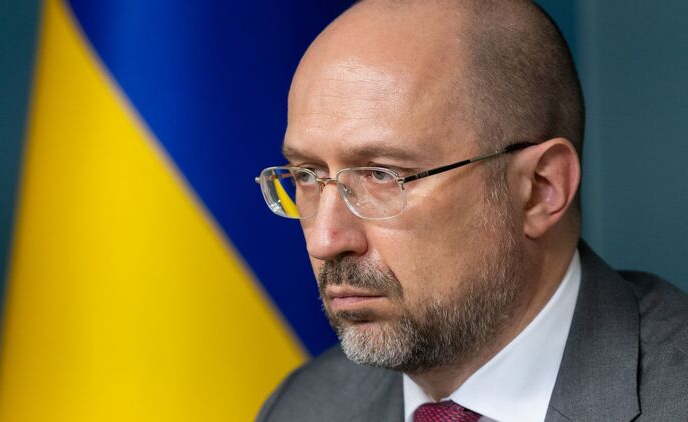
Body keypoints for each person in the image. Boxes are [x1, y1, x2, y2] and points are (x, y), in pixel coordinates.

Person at [254, 0, 688, 420]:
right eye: (307, 176)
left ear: (540, 189)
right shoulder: (304, 406)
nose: (325, 240)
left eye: (381, 175)